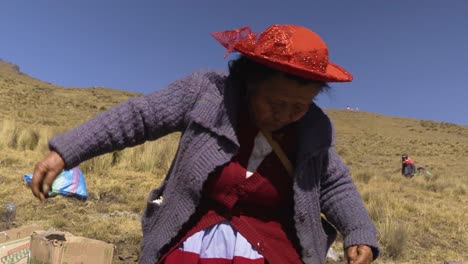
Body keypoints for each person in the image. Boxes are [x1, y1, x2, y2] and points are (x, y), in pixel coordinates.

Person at [31, 24, 379, 264]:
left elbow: (334, 183)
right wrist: (67, 150)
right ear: (251, 83)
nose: (286, 115)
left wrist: (359, 231)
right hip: (193, 237)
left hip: (272, 248)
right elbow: (139, 118)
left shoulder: (314, 129)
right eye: (276, 103)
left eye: (299, 106)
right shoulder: (206, 93)